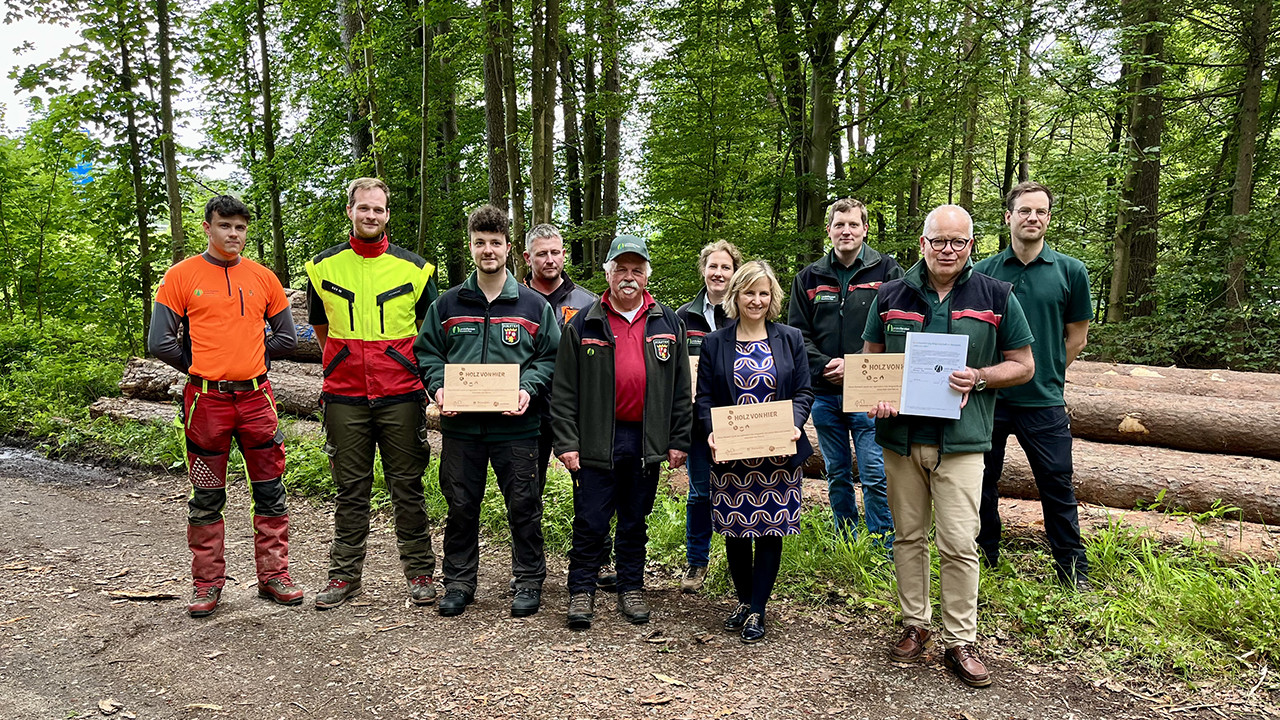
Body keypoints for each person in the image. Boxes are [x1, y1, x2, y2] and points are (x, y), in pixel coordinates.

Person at [863, 205, 1035, 688]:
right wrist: (876, 397)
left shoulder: (996, 295)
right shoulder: (891, 294)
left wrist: (980, 377)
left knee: (959, 542)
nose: (948, 250)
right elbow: (870, 363)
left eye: (958, 242)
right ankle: (915, 626)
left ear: (971, 246)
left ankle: (961, 639)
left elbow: (1023, 364)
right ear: (922, 242)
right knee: (908, 537)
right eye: (939, 241)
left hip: (962, 442)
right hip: (900, 441)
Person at [149, 194, 301, 618]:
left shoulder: (263, 277)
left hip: (257, 399)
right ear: (207, 227)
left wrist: (251, 358)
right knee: (206, 496)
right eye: (225, 226)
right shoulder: (181, 276)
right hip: (205, 402)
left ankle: (274, 576)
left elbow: (286, 338)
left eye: (240, 228)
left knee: (271, 490)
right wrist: (202, 368)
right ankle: (207, 584)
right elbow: (159, 341)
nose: (233, 235)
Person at [416, 205, 561, 618]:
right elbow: (427, 352)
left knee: (524, 503)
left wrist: (528, 389)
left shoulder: (534, 307)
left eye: (495, 242)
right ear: (472, 246)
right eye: (480, 243)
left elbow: (549, 358)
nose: (487, 250)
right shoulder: (447, 305)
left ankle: (529, 581)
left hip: (517, 428)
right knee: (461, 504)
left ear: (509, 248)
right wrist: (439, 386)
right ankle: (459, 582)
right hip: (462, 428)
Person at [305, 178, 440, 611]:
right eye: (363, 208)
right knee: (350, 489)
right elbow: (320, 329)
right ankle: (344, 575)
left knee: (408, 486)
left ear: (387, 215)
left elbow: (429, 334)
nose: (371, 216)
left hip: (401, 393)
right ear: (350, 211)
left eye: (378, 209)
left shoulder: (416, 269)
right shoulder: (323, 268)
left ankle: (420, 573)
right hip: (345, 394)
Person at [551, 234, 692, 630]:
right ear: (608, 273)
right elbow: (563, 391)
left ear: (646, 275)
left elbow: (682, 389)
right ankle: (581, 589)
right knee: (591, 518)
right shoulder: (584, 323)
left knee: (634, 518)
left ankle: (631, 586)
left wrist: (679, 439)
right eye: (621, 269)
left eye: (636, 270)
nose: (628, 277)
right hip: (598, 439)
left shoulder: (669, 321)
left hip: (646, 439)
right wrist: (567, 442)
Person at [973, 182, 1092, 589]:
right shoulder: (985, 271)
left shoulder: (1070, 271)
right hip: (990, 398)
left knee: (1056, 481)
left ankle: (1072, 569)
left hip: (1043, 400)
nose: (1033, 218)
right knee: (982, 481)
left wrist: (1047, 371)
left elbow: (1076, 336)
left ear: (1048, 218)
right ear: (1008, 217)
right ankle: (984, 557)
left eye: (1041, 212)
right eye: (1024, 211)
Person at [696, 261, 813, 643]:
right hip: (731, 455)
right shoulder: (716, 342)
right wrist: (712, 431)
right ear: (736, 295)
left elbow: (803, 392)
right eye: (749, 292)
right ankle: (744, 601)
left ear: (773, 297)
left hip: (778, 455)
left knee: (770, 531)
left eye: (764, 293)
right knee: (734, 532)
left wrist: (795, 423)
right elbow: (705, 399)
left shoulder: (790, 338)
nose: (757, 300)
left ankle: (758, 610)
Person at [788, 198, 903, 543]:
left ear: (865, 229)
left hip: (869, 390)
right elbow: (797, 334)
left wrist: (855, 365)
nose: (846, 231)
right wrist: (825, 366)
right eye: (839, 225)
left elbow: (895, 327)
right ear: (829, 230)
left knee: (873, 471)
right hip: (824, 392)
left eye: (853, 224)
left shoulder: (887, 271)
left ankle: (882, 541)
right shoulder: (808, 277)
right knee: (837, 472)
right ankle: (846, 536)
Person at [520, 225, 616, 590]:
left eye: (556, 252)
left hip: (579, 414)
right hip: (527, 411)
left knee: (591, 491)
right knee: (526, 493)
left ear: (564, 255)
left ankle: (599, 560)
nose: (550, 260)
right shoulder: (513, 300)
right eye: (541, 253)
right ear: (527, 258)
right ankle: (529, 570)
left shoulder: (589, 303)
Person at [675, 240, 743, 593]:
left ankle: (740, 569)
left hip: (740, 419)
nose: (719, 273)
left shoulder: (747, 312)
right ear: (703, 270)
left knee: (740, 491)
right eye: (713, 266)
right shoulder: (682, 317)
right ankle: (697, 561)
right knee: (700, 493)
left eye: (726, 267)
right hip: (697, 422)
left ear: (735, 273)